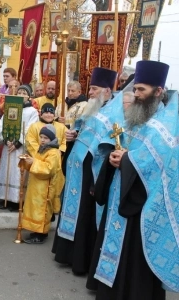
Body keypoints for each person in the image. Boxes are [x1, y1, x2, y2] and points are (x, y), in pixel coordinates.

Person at [86, 61, 179, 299]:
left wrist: (128, 160)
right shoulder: (134, 120)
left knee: (135, 265)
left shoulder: (164, 127)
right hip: (120, 196)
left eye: (141, 90)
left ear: (158, 92)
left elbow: (163, 168)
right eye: (135, 89)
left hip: (141, 207)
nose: (136, 95)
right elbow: (120, 149)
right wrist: (113, 159)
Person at [52, 67, 121, 275]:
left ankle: (80, 259)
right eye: (90, 89)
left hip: (92, 172)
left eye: (94, 88)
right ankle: (66, 253)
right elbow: (82, 133)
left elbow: (109, 144)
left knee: (85, 216)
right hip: (77, 170)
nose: (90, 93)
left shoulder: (114, 115)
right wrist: (72, 137)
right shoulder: (91, 110)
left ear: (107, 91)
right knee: (73, 210)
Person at [0, 84, 38, 211]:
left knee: (18, 172)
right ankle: (5, 198)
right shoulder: (10, 107)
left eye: (24, 93)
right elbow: (2, 124)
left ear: (29, 96)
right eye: (19, 92)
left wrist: (18, 142)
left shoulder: (32, 111)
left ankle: (17, 201)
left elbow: (30, 128)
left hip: (21, 148)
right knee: (7, 171)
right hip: (9, 147)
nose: (21, 95)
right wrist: (7, 138)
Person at [22, 124, 61, 244]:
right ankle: (36, 230)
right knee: (35, 209)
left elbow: (49, 169)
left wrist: (33, 162)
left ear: (52, 139)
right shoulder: (42, 149)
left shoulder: (53, 152)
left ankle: (42, 234)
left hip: (45, 189)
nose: (43, 140)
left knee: (42, 210)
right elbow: (37, 164)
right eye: (41, 137)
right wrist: (27, 161)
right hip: (36, 187)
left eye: (46, 138)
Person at [26, 103, 67, 215]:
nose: (49, 115)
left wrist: (60, 150)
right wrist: (42, 154)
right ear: (41, 113)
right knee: (38, 194)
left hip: (55, 163)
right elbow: (31, 142)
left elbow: (64, 141)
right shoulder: (34, 126)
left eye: (51, 112)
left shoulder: (61, 127)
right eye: (46, 112)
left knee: (54, 189)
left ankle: (52, 212)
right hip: (39, 163)